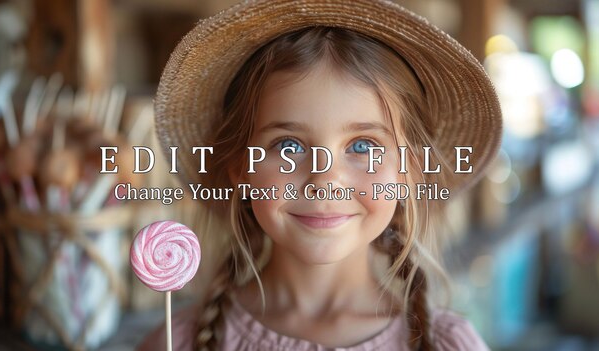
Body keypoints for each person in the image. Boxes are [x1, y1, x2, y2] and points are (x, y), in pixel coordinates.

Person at [140, 0, 502, 350]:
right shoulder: (179, 341)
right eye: (288, 146)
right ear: (240, 169)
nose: (325, 181)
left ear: (410, 169)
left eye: (362, 146)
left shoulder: (447, 344)